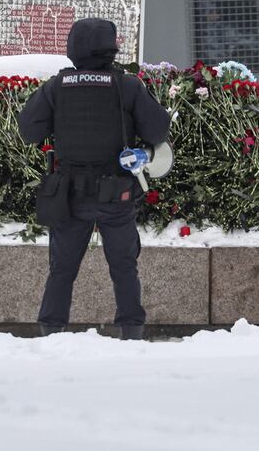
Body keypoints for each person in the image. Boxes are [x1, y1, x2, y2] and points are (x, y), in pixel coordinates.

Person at [18, 18, 170, 340]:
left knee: (62, 269)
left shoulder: (56, 87)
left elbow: (29, 131)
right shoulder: (127, 87)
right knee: (124, 267)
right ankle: (131, 332)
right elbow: (158, 130)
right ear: (111, 49)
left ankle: (51, 331)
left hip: (69, 196)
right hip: (117, 193)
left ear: (73, 48)